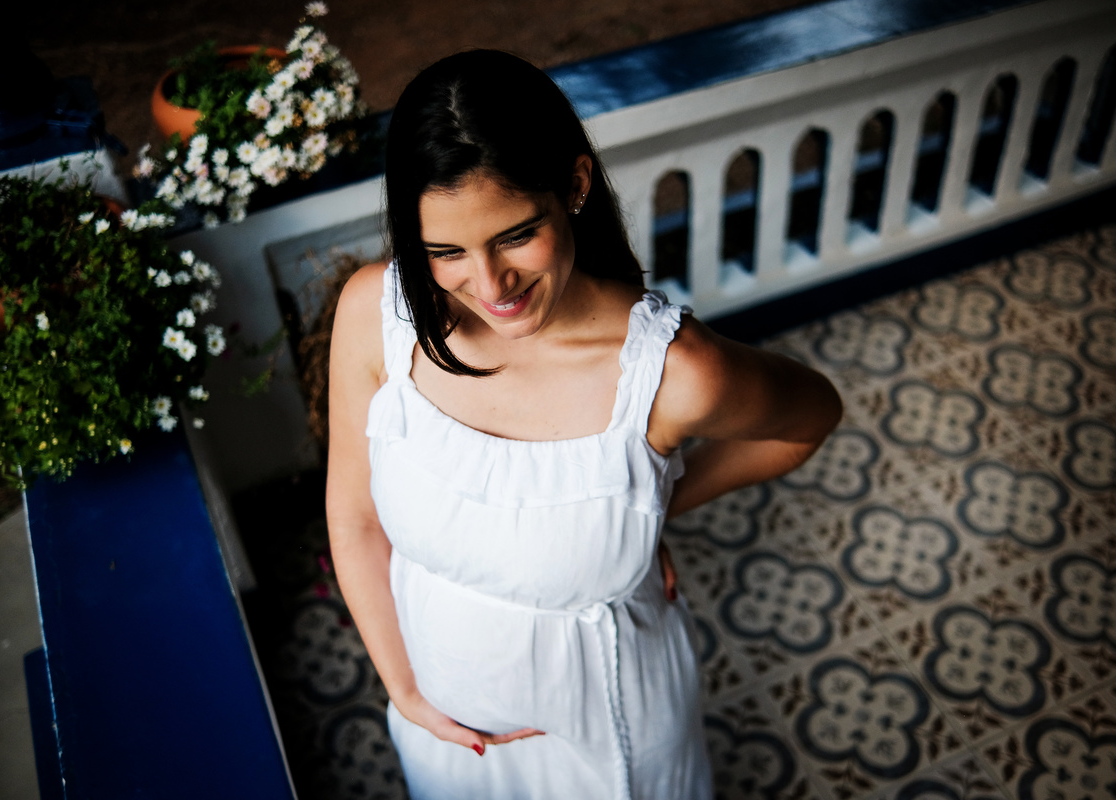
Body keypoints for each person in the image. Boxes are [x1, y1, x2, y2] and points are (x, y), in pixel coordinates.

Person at [326, 49, 842, 800]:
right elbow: (353, 516)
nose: (490, 285)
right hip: (447, 739)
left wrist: (650, 506)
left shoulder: (672, 372)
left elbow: (810, 417)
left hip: (612, 740)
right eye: (445, 251)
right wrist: (404, 691)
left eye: (514, 235)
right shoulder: (375, 314)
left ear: (574, 183)